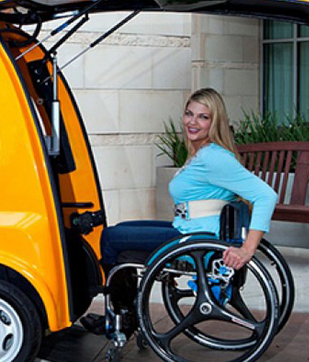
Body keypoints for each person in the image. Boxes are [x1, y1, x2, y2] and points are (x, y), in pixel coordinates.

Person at [100, 88, 278, 270]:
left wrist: (247, 249)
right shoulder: (201, 153)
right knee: (123, 227)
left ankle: (111, 287)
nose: (192, 122)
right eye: (189, 114)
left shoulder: (213, 157)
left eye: (203, 117)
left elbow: (266, 196)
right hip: (187, 228)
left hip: (198, 236)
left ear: (215, 122)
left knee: (110, 236)